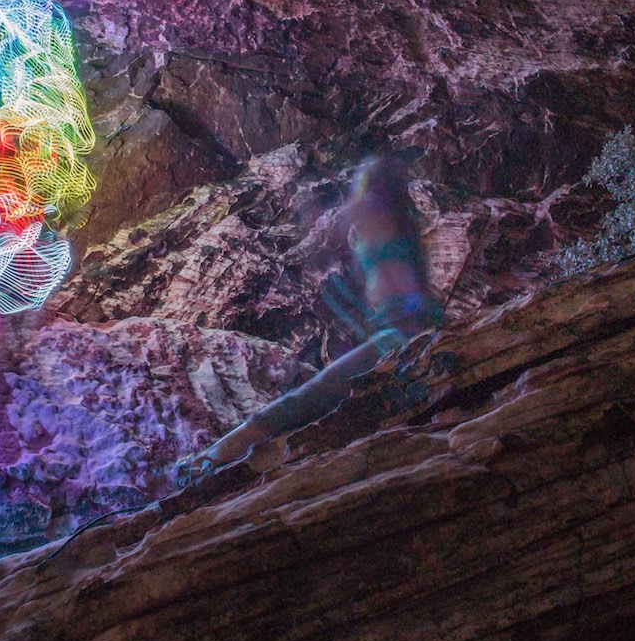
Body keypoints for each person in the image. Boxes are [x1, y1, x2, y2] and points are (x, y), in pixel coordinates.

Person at [185, 152, 442, 472]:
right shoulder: (404, 221)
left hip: (400, 335)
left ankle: (206, 462)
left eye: (361, 175)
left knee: (306, 398)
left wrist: (307, 205)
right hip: (410, 327)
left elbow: (330, 227)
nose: (354, 181)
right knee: (324, 395)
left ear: (373, 182)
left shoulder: (373, 209)